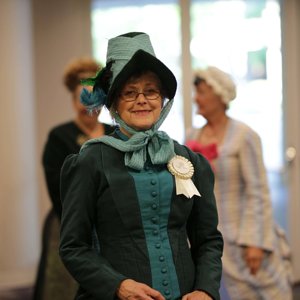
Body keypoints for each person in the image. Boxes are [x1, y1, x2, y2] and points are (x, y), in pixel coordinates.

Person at [59, 32, 223, 300]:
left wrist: (206, 289)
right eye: (130, 92)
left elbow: (208, 240)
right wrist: (118, 286)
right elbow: (73, 247)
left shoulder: (188, 160)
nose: (142, 99)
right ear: (113, 104)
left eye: (151, 91)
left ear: (163, 100)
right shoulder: (90, 161)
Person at [186, 66, 293, 300]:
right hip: (211, 241)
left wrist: (255, 242)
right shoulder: (192, 137)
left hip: (245, 240)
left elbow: (258, 191)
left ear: (220, 95)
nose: (196, 98)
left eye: (202, 92)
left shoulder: (244, 136)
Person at [33, 57, 115, 300]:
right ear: (72, 100)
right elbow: (56, 187)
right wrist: (82, 227)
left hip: (111, 223)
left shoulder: (115, 133)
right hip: (69, 222)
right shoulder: (59, 136)